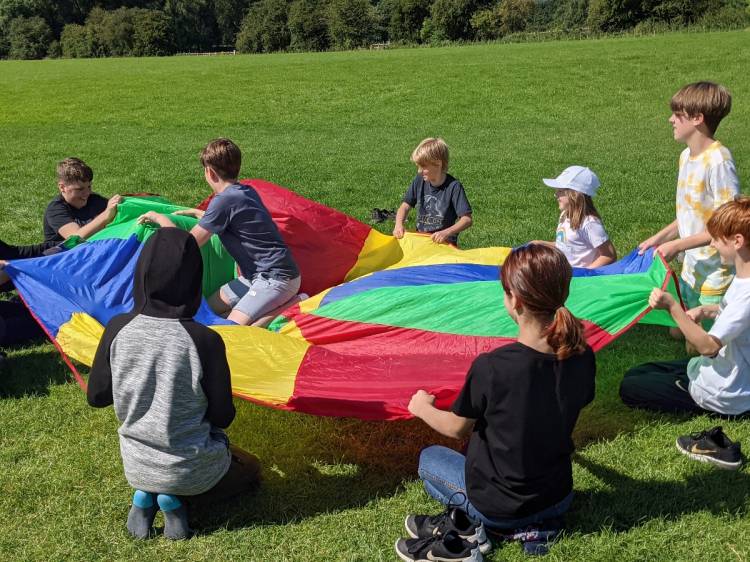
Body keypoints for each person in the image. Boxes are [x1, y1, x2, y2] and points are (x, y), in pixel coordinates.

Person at [396, 244, 596, 561]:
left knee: (429, 459)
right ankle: (534, 527)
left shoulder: (493, 367)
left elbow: (456, 429)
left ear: (515, 300)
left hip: (500, 507)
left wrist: (422, 408)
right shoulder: (582, 355)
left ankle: (479, 528)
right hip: (558, 497)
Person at [87, 228, 261, 540]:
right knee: (250, 466)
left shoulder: (117, 328)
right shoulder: (205, 340)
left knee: (165, 474)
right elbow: (223, 417)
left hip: (137, 466)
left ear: (142, 274)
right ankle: (174, 500)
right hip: (192, 469)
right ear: (194, 280)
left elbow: (97, 397)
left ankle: (148, 496)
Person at [139, 139, 301, 327]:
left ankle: (293, 304)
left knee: (231, 329)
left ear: (209, 172)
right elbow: (236, 221)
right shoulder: (245, 191)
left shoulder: (224, 200)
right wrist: (201, 214)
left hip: (275, 279)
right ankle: (265, 306)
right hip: (254, 277)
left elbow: (186, 245)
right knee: (206, 311)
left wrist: (159, 218)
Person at [620, 197, 750, 429]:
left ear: (737, 241)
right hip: (724, 367)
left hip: (726, 392)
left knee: (629, 388)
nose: (712, 244)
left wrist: (673, 307)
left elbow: (708, 347)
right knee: (638, 373)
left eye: (717, 239)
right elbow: (739, 317)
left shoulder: (746, 292)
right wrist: (706, 310)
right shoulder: (743, 278)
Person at [638, 82, 739, 316]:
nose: (670, 120)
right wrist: (659, 238)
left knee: (704, 335)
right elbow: (689, 214)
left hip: (715, 275)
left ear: (697, 118)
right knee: (680, 328)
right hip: (691, 269)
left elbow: (728, 225)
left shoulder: (719, 162)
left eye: (677, 114)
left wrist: (677, 245)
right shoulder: (686, 156)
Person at [393, 138, 473, 246]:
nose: (419, 171)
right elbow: (405, 206)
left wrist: (446, 233)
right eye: (418, 166)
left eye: (423, 166)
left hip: (444, 245)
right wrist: (398, 224)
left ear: (438, 164)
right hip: (422, 242)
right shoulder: (419, 180)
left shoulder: (454, 187)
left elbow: (467, 219)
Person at [538, 165, 616, 268]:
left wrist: (585, 273)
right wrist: (539, 243)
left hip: (580, 277)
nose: (555, 195)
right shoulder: (565, 215)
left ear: (574, 195)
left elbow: (609, 255)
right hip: (566, 273)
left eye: (560, 191)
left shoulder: (589, 223)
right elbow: (565, 245)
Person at [43, 157, 122, 243]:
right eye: (80, 189)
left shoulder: (94, 200)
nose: (87, 193)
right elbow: (75, 239)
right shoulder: (55, 209)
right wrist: (106, 215)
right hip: (65, 251)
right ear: (62, 187)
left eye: (89, 186)